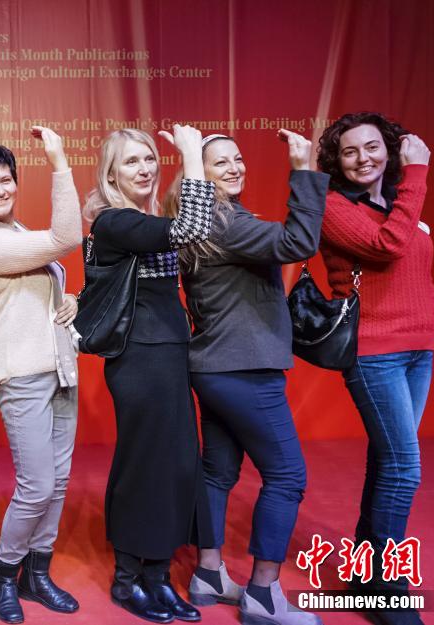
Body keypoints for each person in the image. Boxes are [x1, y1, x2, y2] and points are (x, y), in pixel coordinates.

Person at [172, 131, 328, 625]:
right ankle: (262, 595)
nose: (235, 167)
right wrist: (302, 169)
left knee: (218, 472)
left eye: (237, 159)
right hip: (243, 371)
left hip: (216, 368)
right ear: (199, 175)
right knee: (287, 476)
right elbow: (298, 242)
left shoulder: (211, 221)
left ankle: (208, 574)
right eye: (220, 163)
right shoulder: (224, 222)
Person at [317, 112, 434, 625]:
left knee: (387, 462)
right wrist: (418, 173)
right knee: (404, 467)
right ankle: (386, 585)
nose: (363, 159)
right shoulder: (333, 206)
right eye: (350, 151)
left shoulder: (399, 204)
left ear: (390, 149)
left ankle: (365, 576)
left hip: (417, 350)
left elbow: (419, 277)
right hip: (374, 351)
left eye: (373, 147)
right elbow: (387, 247)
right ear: (336, 161)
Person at [82, 125, 214, 624]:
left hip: (170, 352)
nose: (144, 168)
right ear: (110, 174)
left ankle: (157, 577)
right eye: (131, 161)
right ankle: (126, 579)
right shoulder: (114, 221)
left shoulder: (145, 218)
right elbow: (191, 228)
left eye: (149, 158)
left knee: (176, 463)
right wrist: (193, 156)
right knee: (145, 464)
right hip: (139, 357)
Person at [0, 128, 82, 624]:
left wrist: (68, 299)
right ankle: (4, 575)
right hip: (22, 377)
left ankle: (38, 574)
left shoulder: (18, 235)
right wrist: (59, 160)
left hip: (61, 370)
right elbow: (66, 238)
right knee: (36, 486)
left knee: (58, 483)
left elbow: (36, 292)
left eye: (5, 179)